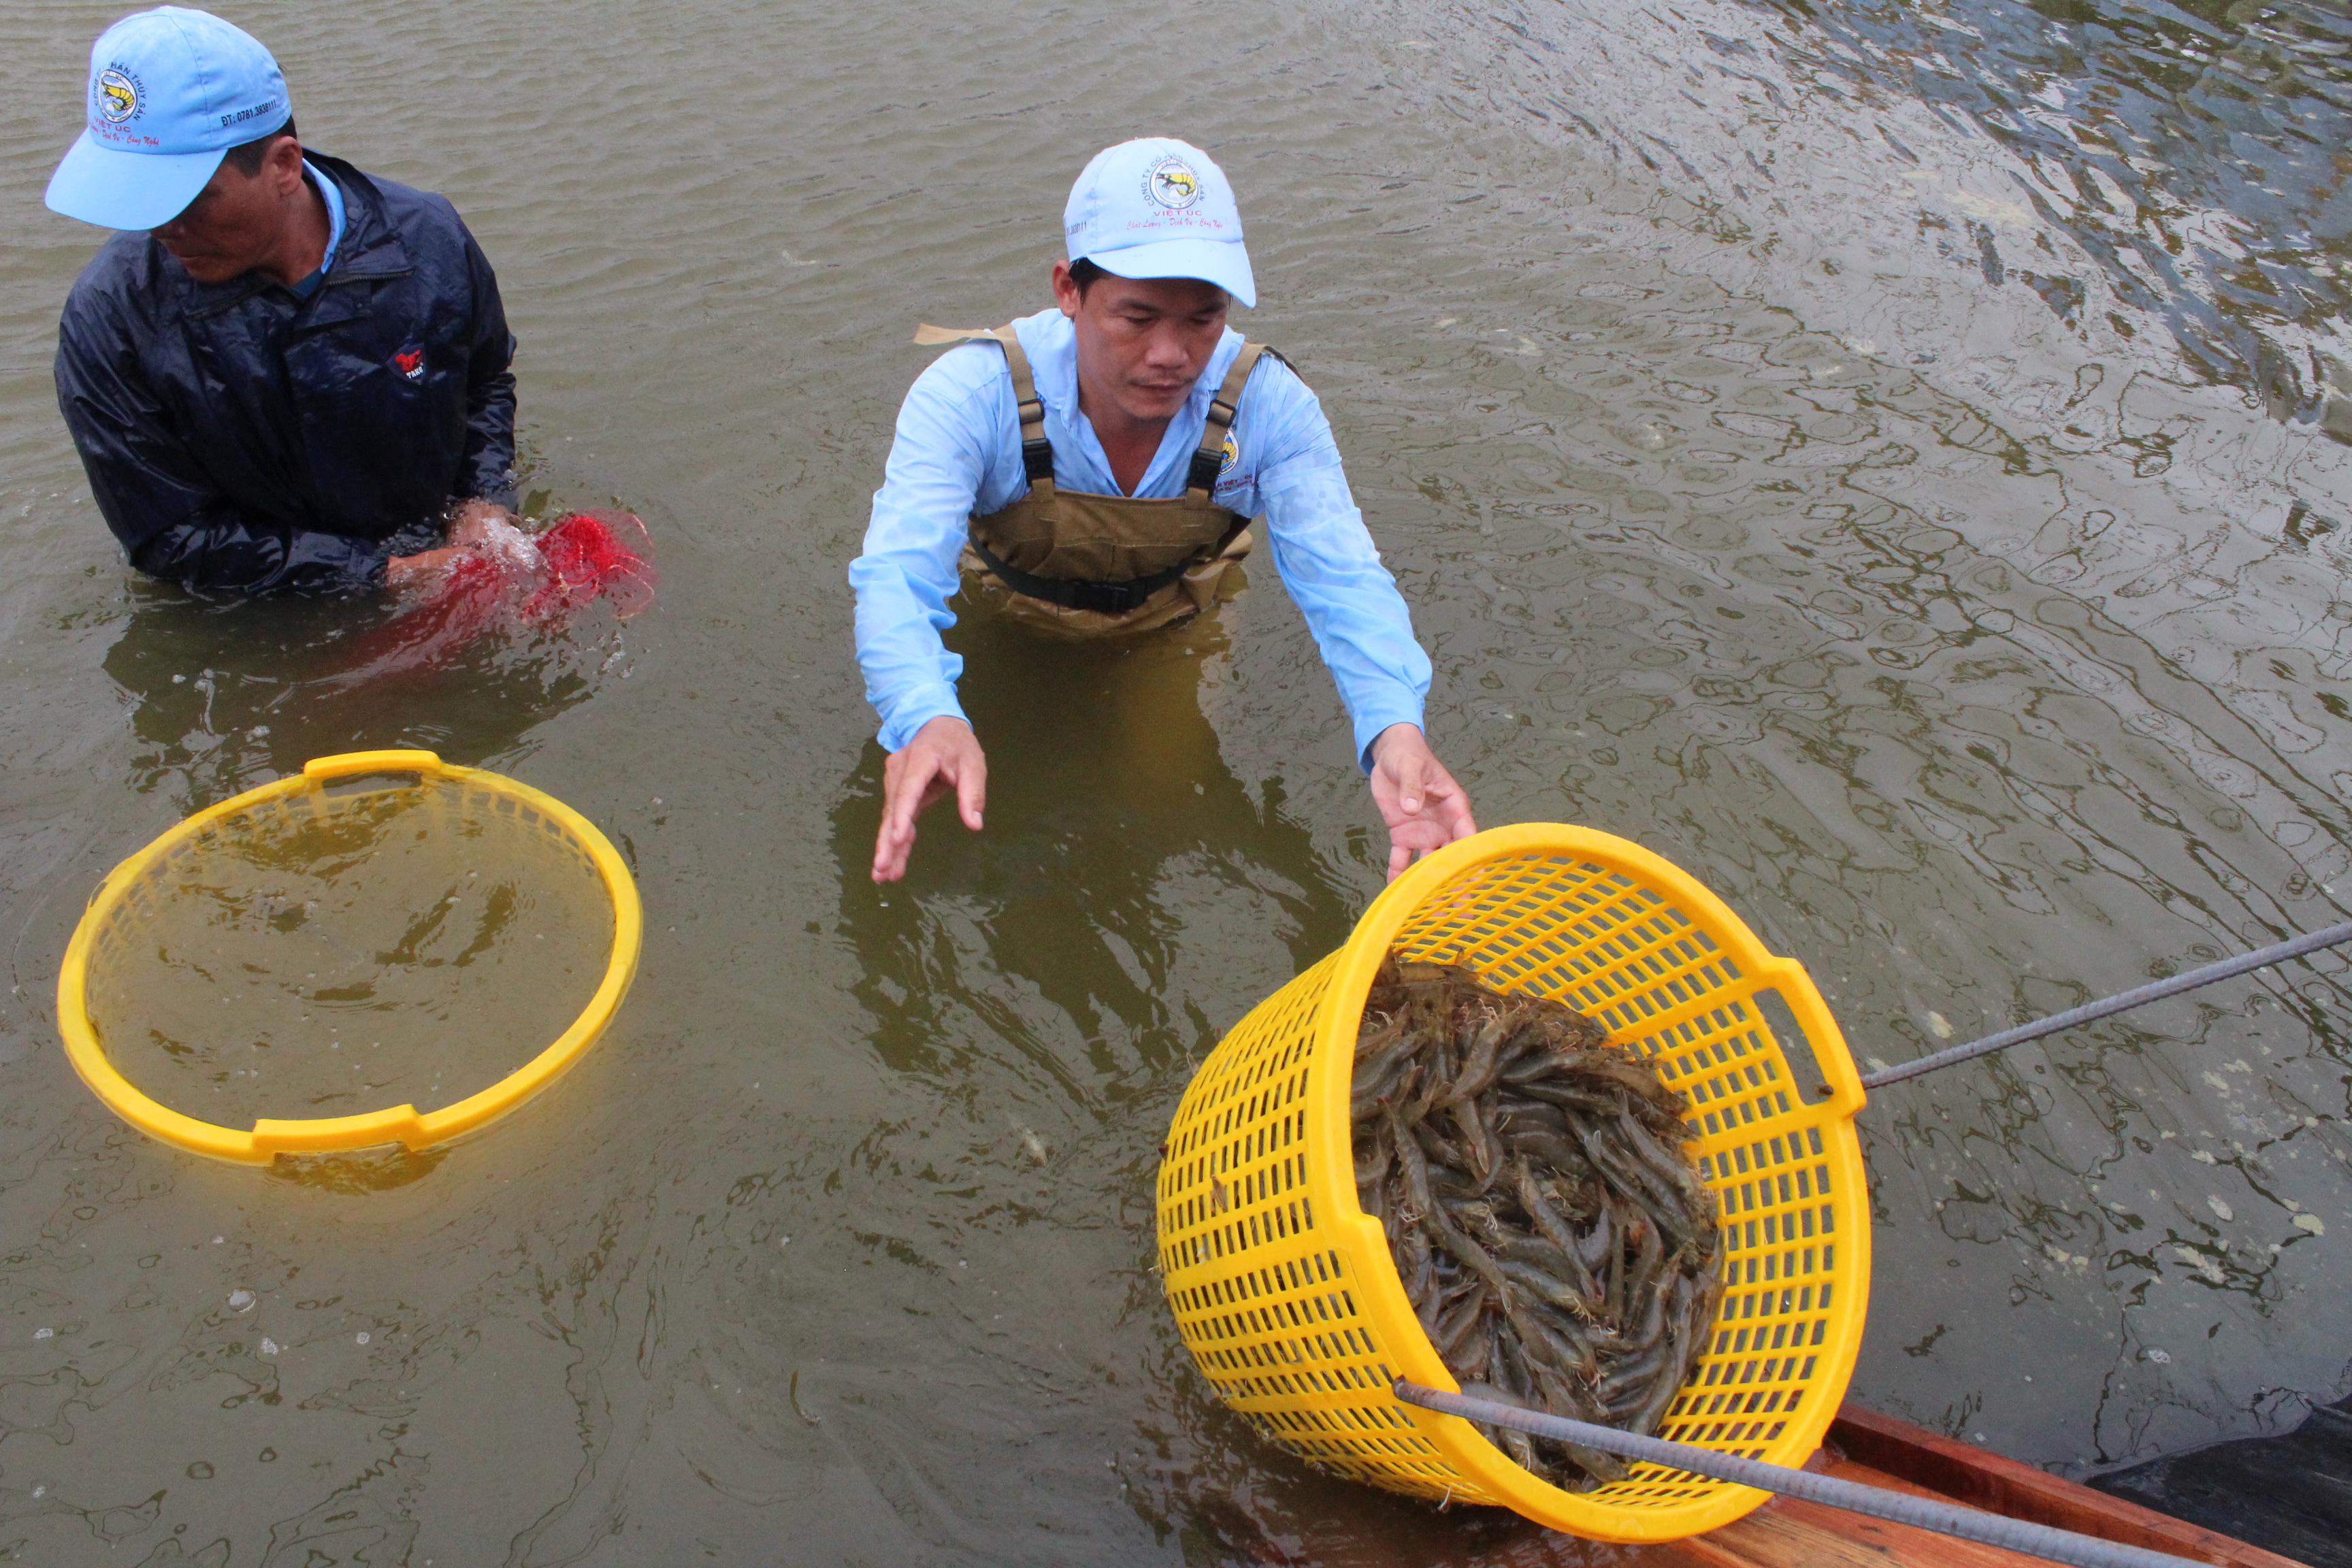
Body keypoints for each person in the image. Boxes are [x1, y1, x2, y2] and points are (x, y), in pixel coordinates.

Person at [852, 136, 1476, 885]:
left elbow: (1343, 577)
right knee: (955, 788)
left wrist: (1395, 732)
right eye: (1139, 317)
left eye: (1203, 320)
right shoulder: (968, 394)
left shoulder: (1270, 406)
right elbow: (897, 575)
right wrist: (926, 713)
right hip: (1004, 600)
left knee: (1160, 798)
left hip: (1169, 617)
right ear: (1068, 290)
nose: (1172, 354)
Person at [45, 5, 519, 597]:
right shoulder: (109, 322)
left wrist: (483, 502)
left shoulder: (429, 239)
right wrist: (384, 576)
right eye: (139, 196)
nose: (163, 226)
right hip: (263, 609)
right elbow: (169, 536)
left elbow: (485, 383)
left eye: (189, 198)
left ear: (284, 165)